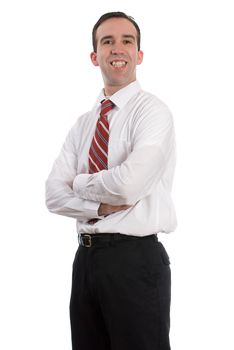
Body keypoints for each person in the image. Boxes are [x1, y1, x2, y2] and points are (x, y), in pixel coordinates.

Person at [46, 11, 177, 350]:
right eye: (107, 42)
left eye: (127, 41)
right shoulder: (83, 124)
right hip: (86, 262)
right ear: (95, 56)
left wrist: (78, 183)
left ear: (139, 54)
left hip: (135, 260)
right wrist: (100, 205)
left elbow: (129, 185)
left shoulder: (152, 112)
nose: (117, 49)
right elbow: (52, 195)